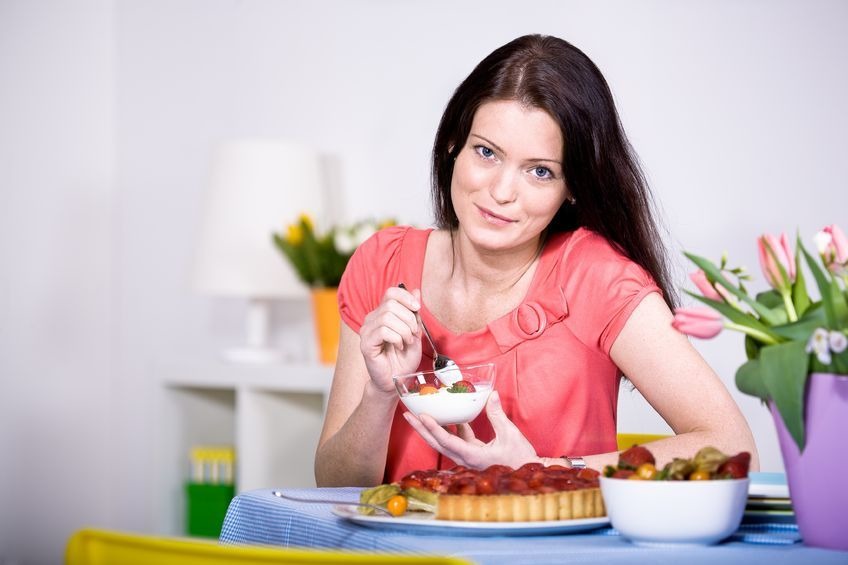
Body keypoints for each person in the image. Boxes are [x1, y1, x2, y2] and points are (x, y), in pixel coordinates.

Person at [314, 34, 758, 487]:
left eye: (540, 171)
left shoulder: (597, 278)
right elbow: (332, 486)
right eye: (486, 152)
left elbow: (734, 447)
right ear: (453, 144)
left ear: (573, 187)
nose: (502, 191)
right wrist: (380, 394)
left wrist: (544, 471)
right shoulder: (382, 264)